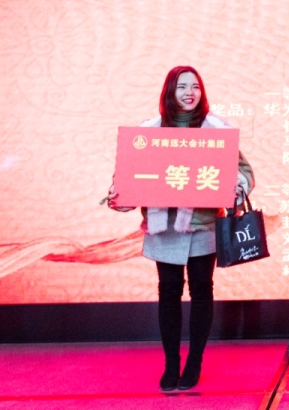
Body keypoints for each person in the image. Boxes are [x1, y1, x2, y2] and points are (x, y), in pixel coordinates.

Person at [107, 66, 254, 391]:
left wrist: (236, 185)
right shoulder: (150, 131)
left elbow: (244, 170)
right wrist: (120, 193)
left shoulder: (216, 129)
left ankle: (195, 362)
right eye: (182, 87)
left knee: (202, 291)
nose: (190, 93)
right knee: (169, 291)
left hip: (203, 226)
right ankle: (171, 363)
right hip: (165, 227)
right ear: (169, 91)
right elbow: (130, 174)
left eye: (195, 87)